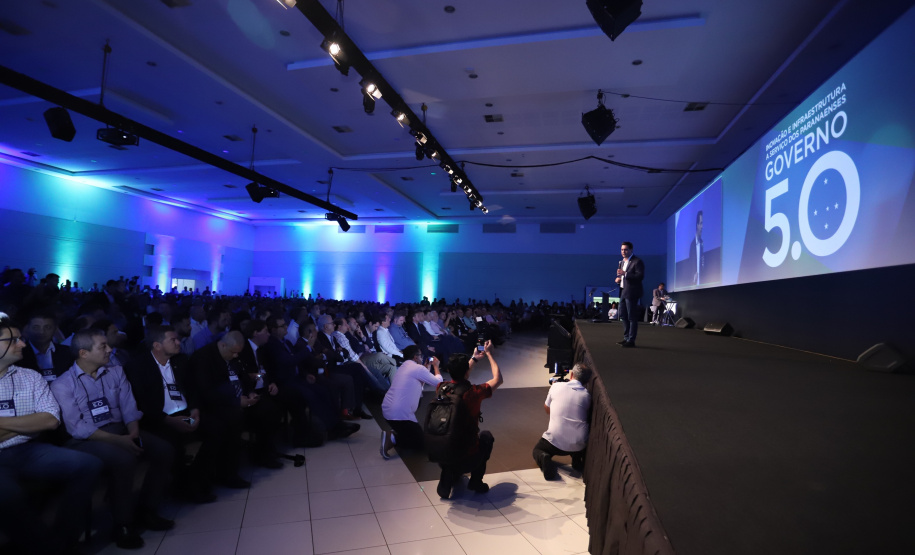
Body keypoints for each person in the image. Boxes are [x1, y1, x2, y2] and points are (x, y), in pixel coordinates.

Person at [52, 328, 176, 549]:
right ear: (84, 353)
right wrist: (121, 441)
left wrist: (134, 432)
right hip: (86, 440)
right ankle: (122, 524)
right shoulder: (63, 384)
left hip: (121, 428)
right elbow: (77, 428)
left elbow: (129, 407)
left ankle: (147, 510)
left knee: (163, 450)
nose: (110, 349)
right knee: (124, 459)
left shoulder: (116, 371)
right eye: (103, 346)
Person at [0, 315, 103, 555]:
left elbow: (49, 419)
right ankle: (51, 548)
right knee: (9, 495)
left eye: (21, 338)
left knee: (88, 464)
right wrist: (27, 423)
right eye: (12, 340)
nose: (23, 344)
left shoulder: (30, 376)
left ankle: (61, 540)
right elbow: (39, 420)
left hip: (27, 449)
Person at [435, 339, 502, 499]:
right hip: (468, 457)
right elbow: (498, 379)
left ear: (449, 370)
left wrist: (473, 359)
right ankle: (476, 481)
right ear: (466, 371)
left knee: (451, 449)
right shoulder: (473, 393)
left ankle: (446, 480)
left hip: (442, 453)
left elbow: (459, 378)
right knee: (486, 437)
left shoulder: (441, 388)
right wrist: (489, 355)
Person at [380, 345, 443, 459]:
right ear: (415, 357)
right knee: (421, 444)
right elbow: (439, 383)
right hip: (400, 415)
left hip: (388, 411)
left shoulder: (404, 367)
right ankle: (393, 438)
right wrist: (436, 367)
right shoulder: (418, 369)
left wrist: (426, 368)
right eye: (420, 355)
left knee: (413, 434)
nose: (422, 357)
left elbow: (418, 385)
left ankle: (399, 433)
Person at [532, 364, 592, 480]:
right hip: (579, 444)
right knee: (577, 435)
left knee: (538, 450)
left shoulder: (556, 387)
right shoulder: (587, 396)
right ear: (587, 380)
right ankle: (577, 461)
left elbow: (547, 409)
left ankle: (544, 457)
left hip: (555, 442)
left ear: (571, 374)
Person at [615, 241, 644, 348]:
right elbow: (623, 276)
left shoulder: (637, 261)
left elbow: (640, 276)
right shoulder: (622, 262)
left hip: (632, 292)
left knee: (632, 317)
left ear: (631, 250)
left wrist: (625, 274)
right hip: (623, 291)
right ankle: (626, 337)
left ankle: (631, 340)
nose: (623, 251)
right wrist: (619, 279)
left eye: (625, 249)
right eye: (622, 249)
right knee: (623, 315)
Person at [689, 210, 705, 286]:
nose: (702, 227)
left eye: (703, 224)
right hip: (694, 284)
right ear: (697, 225)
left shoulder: (702, 243)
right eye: (701, 223)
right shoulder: (692, 245)